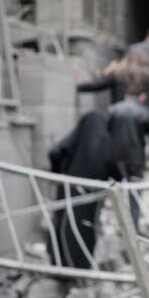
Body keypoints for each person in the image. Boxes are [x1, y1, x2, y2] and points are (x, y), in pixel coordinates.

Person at [48, 112, 119, 270]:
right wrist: (118, 180)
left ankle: (59, 264)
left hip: (68, 189)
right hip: (90, 195)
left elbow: (54, 152)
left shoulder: (76, 138)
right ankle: (81, 267)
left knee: (64, 225)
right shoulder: (106, 141)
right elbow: (113, 166)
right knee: (85, 230)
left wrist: (57, 173)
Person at [107, 83, 149, 233]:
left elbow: (106, 133)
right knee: (134, 196)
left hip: (115, 161)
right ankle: (132, 230)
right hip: (135, 161)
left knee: (117, 193)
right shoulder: (143, 112)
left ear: (126, 96)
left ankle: (118, 227)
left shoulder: (113, 110)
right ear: (142, 96)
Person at [77, 48, 149, 104]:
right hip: (139, 117)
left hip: (118, 115)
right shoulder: (147, 77)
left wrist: (78, 86)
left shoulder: (118, 74)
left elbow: (98, 85)